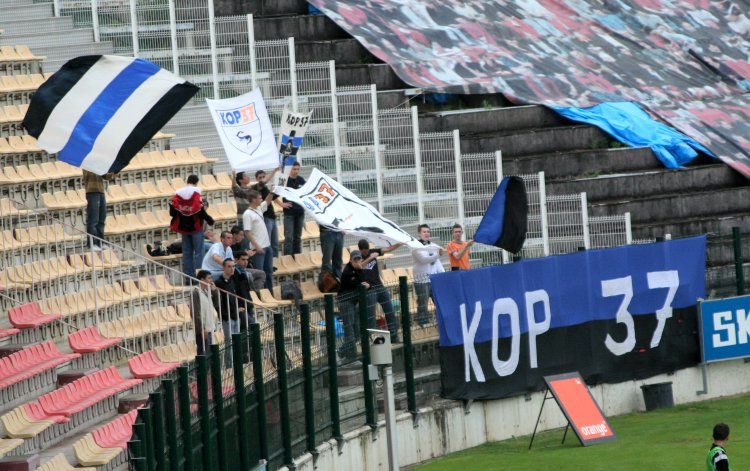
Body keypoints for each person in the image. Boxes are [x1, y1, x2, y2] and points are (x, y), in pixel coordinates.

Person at [169, 175, 214, 278]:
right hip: (195, 227)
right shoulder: (196, 193)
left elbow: (172, 213)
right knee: (199, 253)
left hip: (183, 227)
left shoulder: (178, 194)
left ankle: (188, 277)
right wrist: (209, 220)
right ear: (196, 182)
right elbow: (200, 210)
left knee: (187, 253)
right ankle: (200, 277)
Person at [358, 239, 403, 342]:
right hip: (369, 289)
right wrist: (370, 258)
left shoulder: (372, 252)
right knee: (371, 315)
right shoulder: (358, 257)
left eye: (367, 250)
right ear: (361, 250)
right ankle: (373, 338)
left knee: (390, 310)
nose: (366, 252)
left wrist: (399, 243)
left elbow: (388, 249)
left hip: (379, 286)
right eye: (365, 251)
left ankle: (394, 335)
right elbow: (360, 266)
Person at [337, 250, 369, 362]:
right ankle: (351, 355)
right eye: (355, 259)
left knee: (356, 331)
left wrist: (366, 284)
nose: (357, 261)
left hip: (353, 302)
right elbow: (358, 284)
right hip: (346, 303)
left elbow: (365, 282)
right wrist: (363, 283)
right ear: (351, 260)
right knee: (349, 329)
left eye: (359, 259)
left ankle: (342, 350)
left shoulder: (358, 270)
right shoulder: (347, 272)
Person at [213, 258, 244, 367]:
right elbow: (219, 303)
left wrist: (238, 309)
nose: (232, 269)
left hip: (235, 316)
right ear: (224, 268)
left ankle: (237, 365)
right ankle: (229, 367)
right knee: (229, 344)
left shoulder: (233, 281)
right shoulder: (219, 283)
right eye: (229, 266)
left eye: (233, 266)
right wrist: (225, 316)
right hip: (228, 318)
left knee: (237, 344)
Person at [411, 224, 444, 325]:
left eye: (428, 231)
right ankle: (423, 325)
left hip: (433, 280)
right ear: (419, 233)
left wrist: (443, 275)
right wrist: (437, 254)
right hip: (422, 281)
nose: (426, 233)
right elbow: (424, 260)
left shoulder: (433, 246)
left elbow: (437, 263)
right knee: (423, 305)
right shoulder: (415, 246)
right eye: (424, 232)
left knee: (439, 303)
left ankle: (441, 322)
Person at [243, 189, 275, 291]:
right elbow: (247, 232)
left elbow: (267, 201)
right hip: (258, 247)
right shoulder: (247, 214)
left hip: (267, 245)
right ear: (253, 199)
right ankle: (260, 293)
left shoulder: (259, 209)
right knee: (260, 272)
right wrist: (257, 246)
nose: (261, 199)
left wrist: (271, 192)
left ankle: (270, 292)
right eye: (259, 198)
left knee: (269, 271)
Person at [251, 169, 280, 257]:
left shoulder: (265, 188)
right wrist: (274, 171)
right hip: (265, 217)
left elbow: (273, 196)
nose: (262, 179)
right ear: (256, 179)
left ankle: (274, 261)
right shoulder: (255, 188)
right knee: (268, 242)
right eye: (260, 177)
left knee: (275, 242)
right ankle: (269, 261)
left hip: (272, 216)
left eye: (264, 177)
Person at [83, 170, 115, 250]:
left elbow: (104, 176)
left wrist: (111, 175)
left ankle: (101, 242)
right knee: (93, 220)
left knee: (101, 219)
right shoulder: (87, 164)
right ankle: (92, 243)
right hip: (92, 192)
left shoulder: (98, 165)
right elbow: (89, 175)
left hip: (101, 191)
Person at [191, 270, 219, 355]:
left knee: (210, 353)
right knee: (203, 353)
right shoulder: (195, 292)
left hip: (210, 327)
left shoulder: (207, 291)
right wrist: (201, 329)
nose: (211, 280)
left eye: (211, 278)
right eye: (209, 278)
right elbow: (195, 313)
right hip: (202, 329)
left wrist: (214, 291)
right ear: (202, 279)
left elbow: (216, 304)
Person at [281, 162, 306, 255]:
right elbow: (274, 194)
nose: (296, 171)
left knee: (297, 237)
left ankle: (297, 257)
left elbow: (306, 192)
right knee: (288, 238)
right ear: (289, 169)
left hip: (300, 213)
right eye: (294, 169)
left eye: (297, 169)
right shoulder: (284, 179)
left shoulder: (301, 180)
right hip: (289, 213)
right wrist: (281, 204)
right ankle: (287, 258)